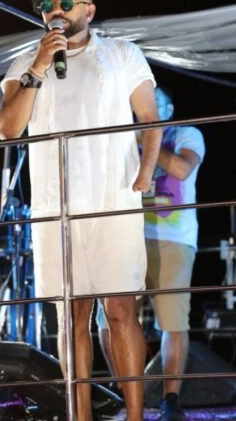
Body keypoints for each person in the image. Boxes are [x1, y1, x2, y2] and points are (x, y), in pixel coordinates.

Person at [0, 0, 161, 421]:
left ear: (89, 9)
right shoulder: (26, 63)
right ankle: (79, 414)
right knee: (71, 315)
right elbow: (7, 128)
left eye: (67, 3)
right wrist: (38, 67)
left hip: (113, 199)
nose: (57, 10)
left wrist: (146, 172)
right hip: (57, 206)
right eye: (49, 5)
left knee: (121, 309)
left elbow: (149, 118)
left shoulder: (123, 54)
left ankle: (134, 415)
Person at [97, 87, 204, 421]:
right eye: (141, 104)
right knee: (109, 315)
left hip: (172, 237)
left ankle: (170, 399)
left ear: (169, 110)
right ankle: (123, 391)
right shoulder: (122, 138)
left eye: (156, 104)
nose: (146, 108)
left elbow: (182, 169)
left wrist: (146, 138)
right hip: (125, 235)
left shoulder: (186, 134)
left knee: (173, 320)